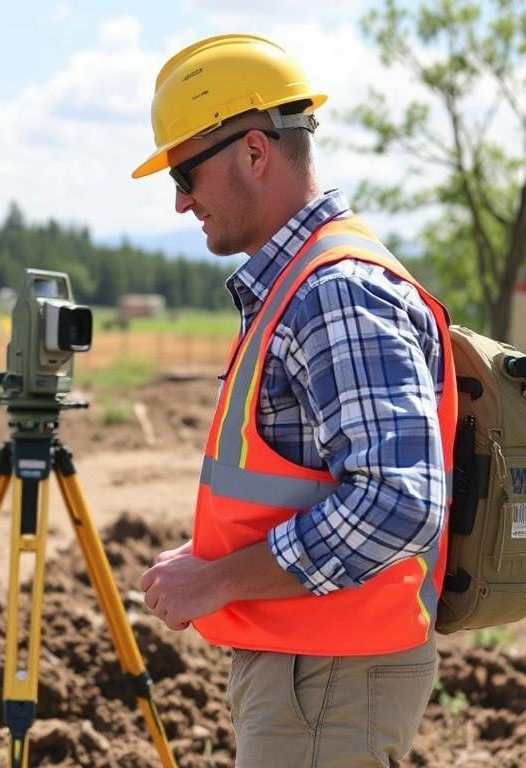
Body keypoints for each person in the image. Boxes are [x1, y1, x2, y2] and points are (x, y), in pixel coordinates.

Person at [133, 35, 456, 766]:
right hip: (316, 671)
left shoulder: (334, 290)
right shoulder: (302, 283)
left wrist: (218, 579)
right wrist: (216, 555)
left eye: (186, 172)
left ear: (254, 151)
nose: (180, 200)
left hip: (328, 676)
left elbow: (397, 501)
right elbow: (316, 481)